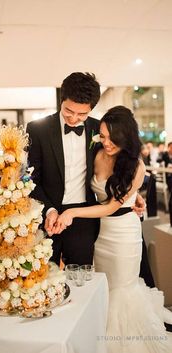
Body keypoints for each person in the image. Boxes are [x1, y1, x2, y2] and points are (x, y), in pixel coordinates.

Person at [53, 106, 172, 352]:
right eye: (103, 136)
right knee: (102, 287)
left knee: (120, 290)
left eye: (111, 138)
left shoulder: (136, 166)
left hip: (123, 236)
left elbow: (109, 207)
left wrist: (72, 212)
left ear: (125, 137)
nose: (105, 142)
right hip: (100, 233)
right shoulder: (97, 152)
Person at [27, 72, 145, 267]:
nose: (74, 118)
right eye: (68, 111)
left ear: (92, 108)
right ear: (61, 100)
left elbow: (121, 164)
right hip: (47, 216)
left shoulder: (100, 130)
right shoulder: (37, 129)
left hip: (84, 218)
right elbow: (31, 178)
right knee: (43, 277)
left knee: (81, 279)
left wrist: (134, 193)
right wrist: (49, 211)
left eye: (82, 114)